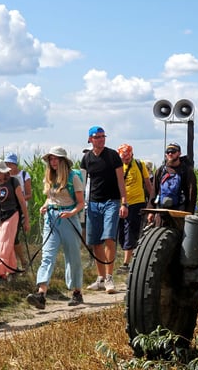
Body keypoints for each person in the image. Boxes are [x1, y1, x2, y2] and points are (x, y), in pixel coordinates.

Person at [26, 146, 85, 309]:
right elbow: (50, 198)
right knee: (47, 255)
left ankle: (77, 292)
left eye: (55, 159)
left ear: (63, 161)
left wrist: (70, 212)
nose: (53, 162)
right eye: (51, 159)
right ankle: (41, 294)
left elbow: (81, 203)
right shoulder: (49, 178)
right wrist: (45, 206)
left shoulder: (73, 178)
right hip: (51, 219)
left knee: (72, 256)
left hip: (68, 219)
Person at [80, 126, 127, 294]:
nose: (101, 139)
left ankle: (109, 277)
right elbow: (82, 181)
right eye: (97, 137)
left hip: (111, 201)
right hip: (93, 203)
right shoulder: (86, 158)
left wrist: (124, 203)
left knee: (108, 238)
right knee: (95, 242)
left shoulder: (113, 155)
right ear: (90, 139)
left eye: (103, 136)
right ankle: (100, 278)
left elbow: (121, 181)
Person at [115, 144, 154, 275]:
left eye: (127, 156)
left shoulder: (139, 164)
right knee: (121, 232)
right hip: (121, 204)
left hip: (137, 202)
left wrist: (151, 202)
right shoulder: (117, 167)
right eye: (123, 157)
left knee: (130, 230)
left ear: (132, 154)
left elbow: (148, 184)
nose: (125, 159)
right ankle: (130, 255)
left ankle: (126, 263)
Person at [0, 159, 27, 281]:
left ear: (5, 172)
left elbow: (21, 201)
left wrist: (26, 219)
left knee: (2, 244)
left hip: (12, 215)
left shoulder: (13, 181)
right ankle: (12, 270)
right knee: (4, 244)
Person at [150, 143, 197, 225]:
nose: (170, 154)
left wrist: (189, 213)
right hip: (161, 212)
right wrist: (150, 211)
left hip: (180, 213)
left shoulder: (186, 171)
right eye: (168, 152)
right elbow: (154, 191)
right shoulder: (160, 171)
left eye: (173, 151)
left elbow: (192, 193)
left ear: (179, 153)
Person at [4, 153, 32, 270]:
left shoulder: (24, 175)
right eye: (7, 164)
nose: (8, 166)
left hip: (19, 209)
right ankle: (13, 264)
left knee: (14, 237)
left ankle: (22, 261)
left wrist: (17, 198)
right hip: (6, 210)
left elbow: (29, 194)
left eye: (10, 164)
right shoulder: (4, 176)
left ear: (15, 164)